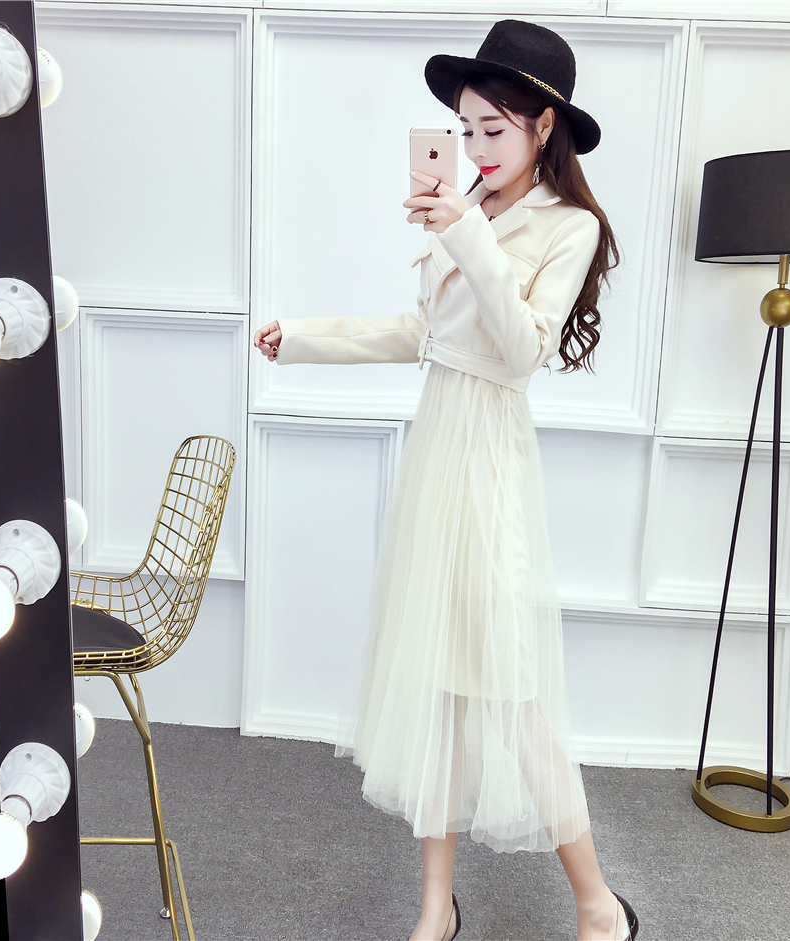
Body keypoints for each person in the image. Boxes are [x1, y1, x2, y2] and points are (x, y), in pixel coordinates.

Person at [254, 19, 638, 941]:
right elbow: (426, 335)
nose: (473, 148)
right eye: (464, 129)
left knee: (514, 693)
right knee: (439, 687)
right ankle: (436, 904)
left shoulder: (569, 226)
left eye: (492, 129)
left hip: (491, 461)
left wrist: (467, 232)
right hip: (438, 450)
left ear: (544, 125)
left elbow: (521, 351)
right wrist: (301, 339)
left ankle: (597, 903)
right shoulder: (472, 208)